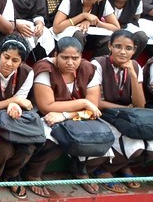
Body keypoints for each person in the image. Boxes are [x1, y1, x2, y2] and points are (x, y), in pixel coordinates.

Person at [27, 37, 105, 196]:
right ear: (56, 55)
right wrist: (83, 103)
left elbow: (93, 106)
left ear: (81, 57)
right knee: (55, 138)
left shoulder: (88, 69)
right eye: (65, 57)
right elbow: (47, 106)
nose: (70, 62)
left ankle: (80, 170)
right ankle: (33, 173)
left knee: (102, 137)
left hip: (73, 116)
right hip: (44, 116)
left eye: (75, 58)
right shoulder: (45, 68)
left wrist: (66, 115)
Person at [0, 35, 36, 199]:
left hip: (10, 118)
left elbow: (21, 100)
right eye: (6, 57)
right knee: (4, 148)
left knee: (28, 146)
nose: (9, 64)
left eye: (15, 60)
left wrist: (15, 106)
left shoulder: (27, 72)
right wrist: (13, 101)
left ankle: (11, 176)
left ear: (21, 62)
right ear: (0, 54)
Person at [91, 29, 146, 192]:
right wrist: (126, 108)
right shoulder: (98, 64)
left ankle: (123, 166)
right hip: (102, 114)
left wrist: (133, 76)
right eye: (118, 46)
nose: (123, 52)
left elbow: (140, 104)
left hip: (126, 113)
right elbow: (97, 103)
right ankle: (103, 169)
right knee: (118, 135)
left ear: (134, 50)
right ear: (110, 46)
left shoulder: (135, 66)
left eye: (128, 48)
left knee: (145, 138)